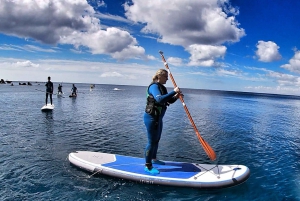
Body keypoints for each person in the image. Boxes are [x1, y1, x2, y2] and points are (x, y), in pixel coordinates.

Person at [144, 69, 183, 174]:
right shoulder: (154, 86)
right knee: (151, 142)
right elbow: (160, 99)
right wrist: (174, 91)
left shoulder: (162, 87)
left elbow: (168, 100)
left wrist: (176, 96)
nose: (167, 79)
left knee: (156, 140)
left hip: (158, 118)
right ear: (159, 76)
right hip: (151, 118)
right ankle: (148, 166)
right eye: (165, 76)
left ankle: (154, 159)